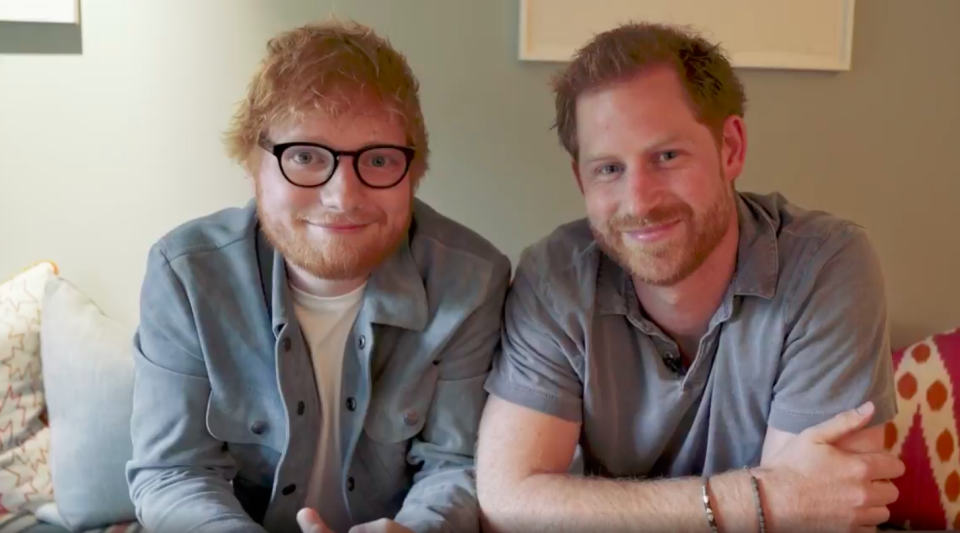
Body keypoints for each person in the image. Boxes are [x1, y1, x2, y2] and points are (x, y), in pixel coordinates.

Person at [477, 22, 904, 533]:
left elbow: (822, 515)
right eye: (608, 169)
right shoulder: (554, 278)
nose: (639, 202)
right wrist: (759, 501)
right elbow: (507, 501)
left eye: (667, 156)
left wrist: (595, 509)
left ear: (730, 148)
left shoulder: (827, 266)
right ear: (580, 179)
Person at [126, 19, 510, 533]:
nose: (343, 196)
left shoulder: (471, 281)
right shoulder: (187, 276)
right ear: (252, 165)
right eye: (304, 156)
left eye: (378, 159)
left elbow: (456, 464)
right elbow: (173, 471)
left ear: (413, 173)